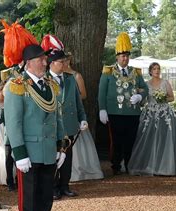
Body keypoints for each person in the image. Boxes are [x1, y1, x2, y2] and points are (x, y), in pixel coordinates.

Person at [4, 43, 66, 211]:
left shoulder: (50, 85)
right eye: (40, 59)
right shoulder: (17, 85)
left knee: (46, 194)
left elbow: (57, 118)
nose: (44, 61)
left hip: (49, 150)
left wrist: (61, 147)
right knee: (29, 196)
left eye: (44, 58)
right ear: (29, 63)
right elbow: (13, 123)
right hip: (29, 152)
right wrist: (19, 153)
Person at [128, 62, 176, 176]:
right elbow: (144, 101)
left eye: (158, 69)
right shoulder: (146, 84)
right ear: (150, 71)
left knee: (165, 138)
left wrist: (163, 98)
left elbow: (172, 97)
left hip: (165, 113)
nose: (157, 71)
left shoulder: (165, 82)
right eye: (154, 69)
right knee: (148, 139)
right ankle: (149, 166)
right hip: (150, 114)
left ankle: (166, 167)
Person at [41, 34, 88, 200]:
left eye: (65, 61)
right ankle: (53, 187)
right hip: (52, 126)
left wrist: (83, 118)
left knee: (67, 158)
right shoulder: (44, 81)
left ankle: (65, 185)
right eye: (61, 62)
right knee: (53, 157)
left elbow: (78, 102)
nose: (65, 64)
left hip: (69, 124)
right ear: (52, 63)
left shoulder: (70, 79)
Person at [98, 32, 149, 176]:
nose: (125, 58)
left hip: (132, 112)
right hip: (115, 112)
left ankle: (129, 164)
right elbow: (102, 92)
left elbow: (145, 88)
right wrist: (102, 109)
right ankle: (115, 165)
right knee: (116, 140)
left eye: (127, 56)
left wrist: (140, 96)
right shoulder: (108, 71)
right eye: (122, 56)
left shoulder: (136, 72)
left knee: (131, 140)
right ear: (117, 57)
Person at [63, 53, 104, 182]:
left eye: (66, 60)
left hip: (73, 112)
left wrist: (70, 100)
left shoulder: (76, 76)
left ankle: (79, 169)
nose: (64, 62)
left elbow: (84, 94)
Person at [0, 62, 25, 191]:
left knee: (19, 159)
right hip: (9, 135)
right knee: (9, 159)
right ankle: (10, 182)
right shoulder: (4, 105)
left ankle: (18, 181)